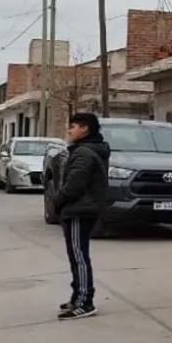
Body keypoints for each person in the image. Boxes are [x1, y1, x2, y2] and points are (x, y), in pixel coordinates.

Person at [53, 112, 110, 320]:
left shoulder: (84, 153)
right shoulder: (88, 150)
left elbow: (74, 185)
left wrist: (57, 202)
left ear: (84, 129)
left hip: (80, 209)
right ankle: (77, 296)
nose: (69, 130)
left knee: (79, 256)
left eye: (73, 126)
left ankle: (85, 302)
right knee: (77, 255)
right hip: (83, 208)